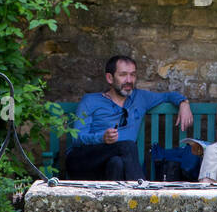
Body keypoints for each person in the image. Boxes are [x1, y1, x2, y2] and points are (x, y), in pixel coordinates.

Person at [65, 55, 194, 181]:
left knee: (117, 163)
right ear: (110, 78)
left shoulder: (140, 98)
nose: (129, 80)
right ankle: (142, 192)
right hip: (84, 162)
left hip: (112, 167)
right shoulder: (90, 100)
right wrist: (102, 137)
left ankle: (116, 200)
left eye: (132, 75)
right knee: (126, 146)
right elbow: (77, 138)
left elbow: (167, 96)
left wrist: (183, 103)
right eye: (123, 75)